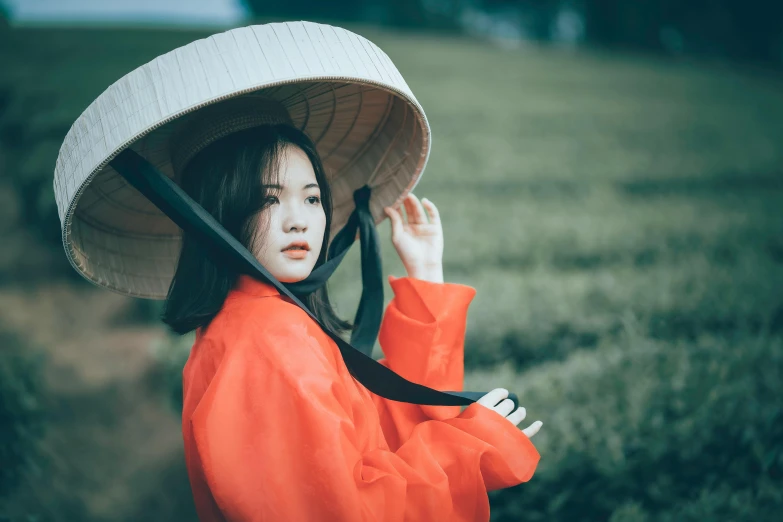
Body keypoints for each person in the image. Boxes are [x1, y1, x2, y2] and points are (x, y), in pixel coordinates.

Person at [168, 123, 542, 521]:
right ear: (221, 211)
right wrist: (467, 450)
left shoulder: (251, 320)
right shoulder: (271, 341)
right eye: (267, 200)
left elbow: (371, 426)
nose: (298, 221)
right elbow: (348, 510)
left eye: (312, 199)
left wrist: (426, 271)